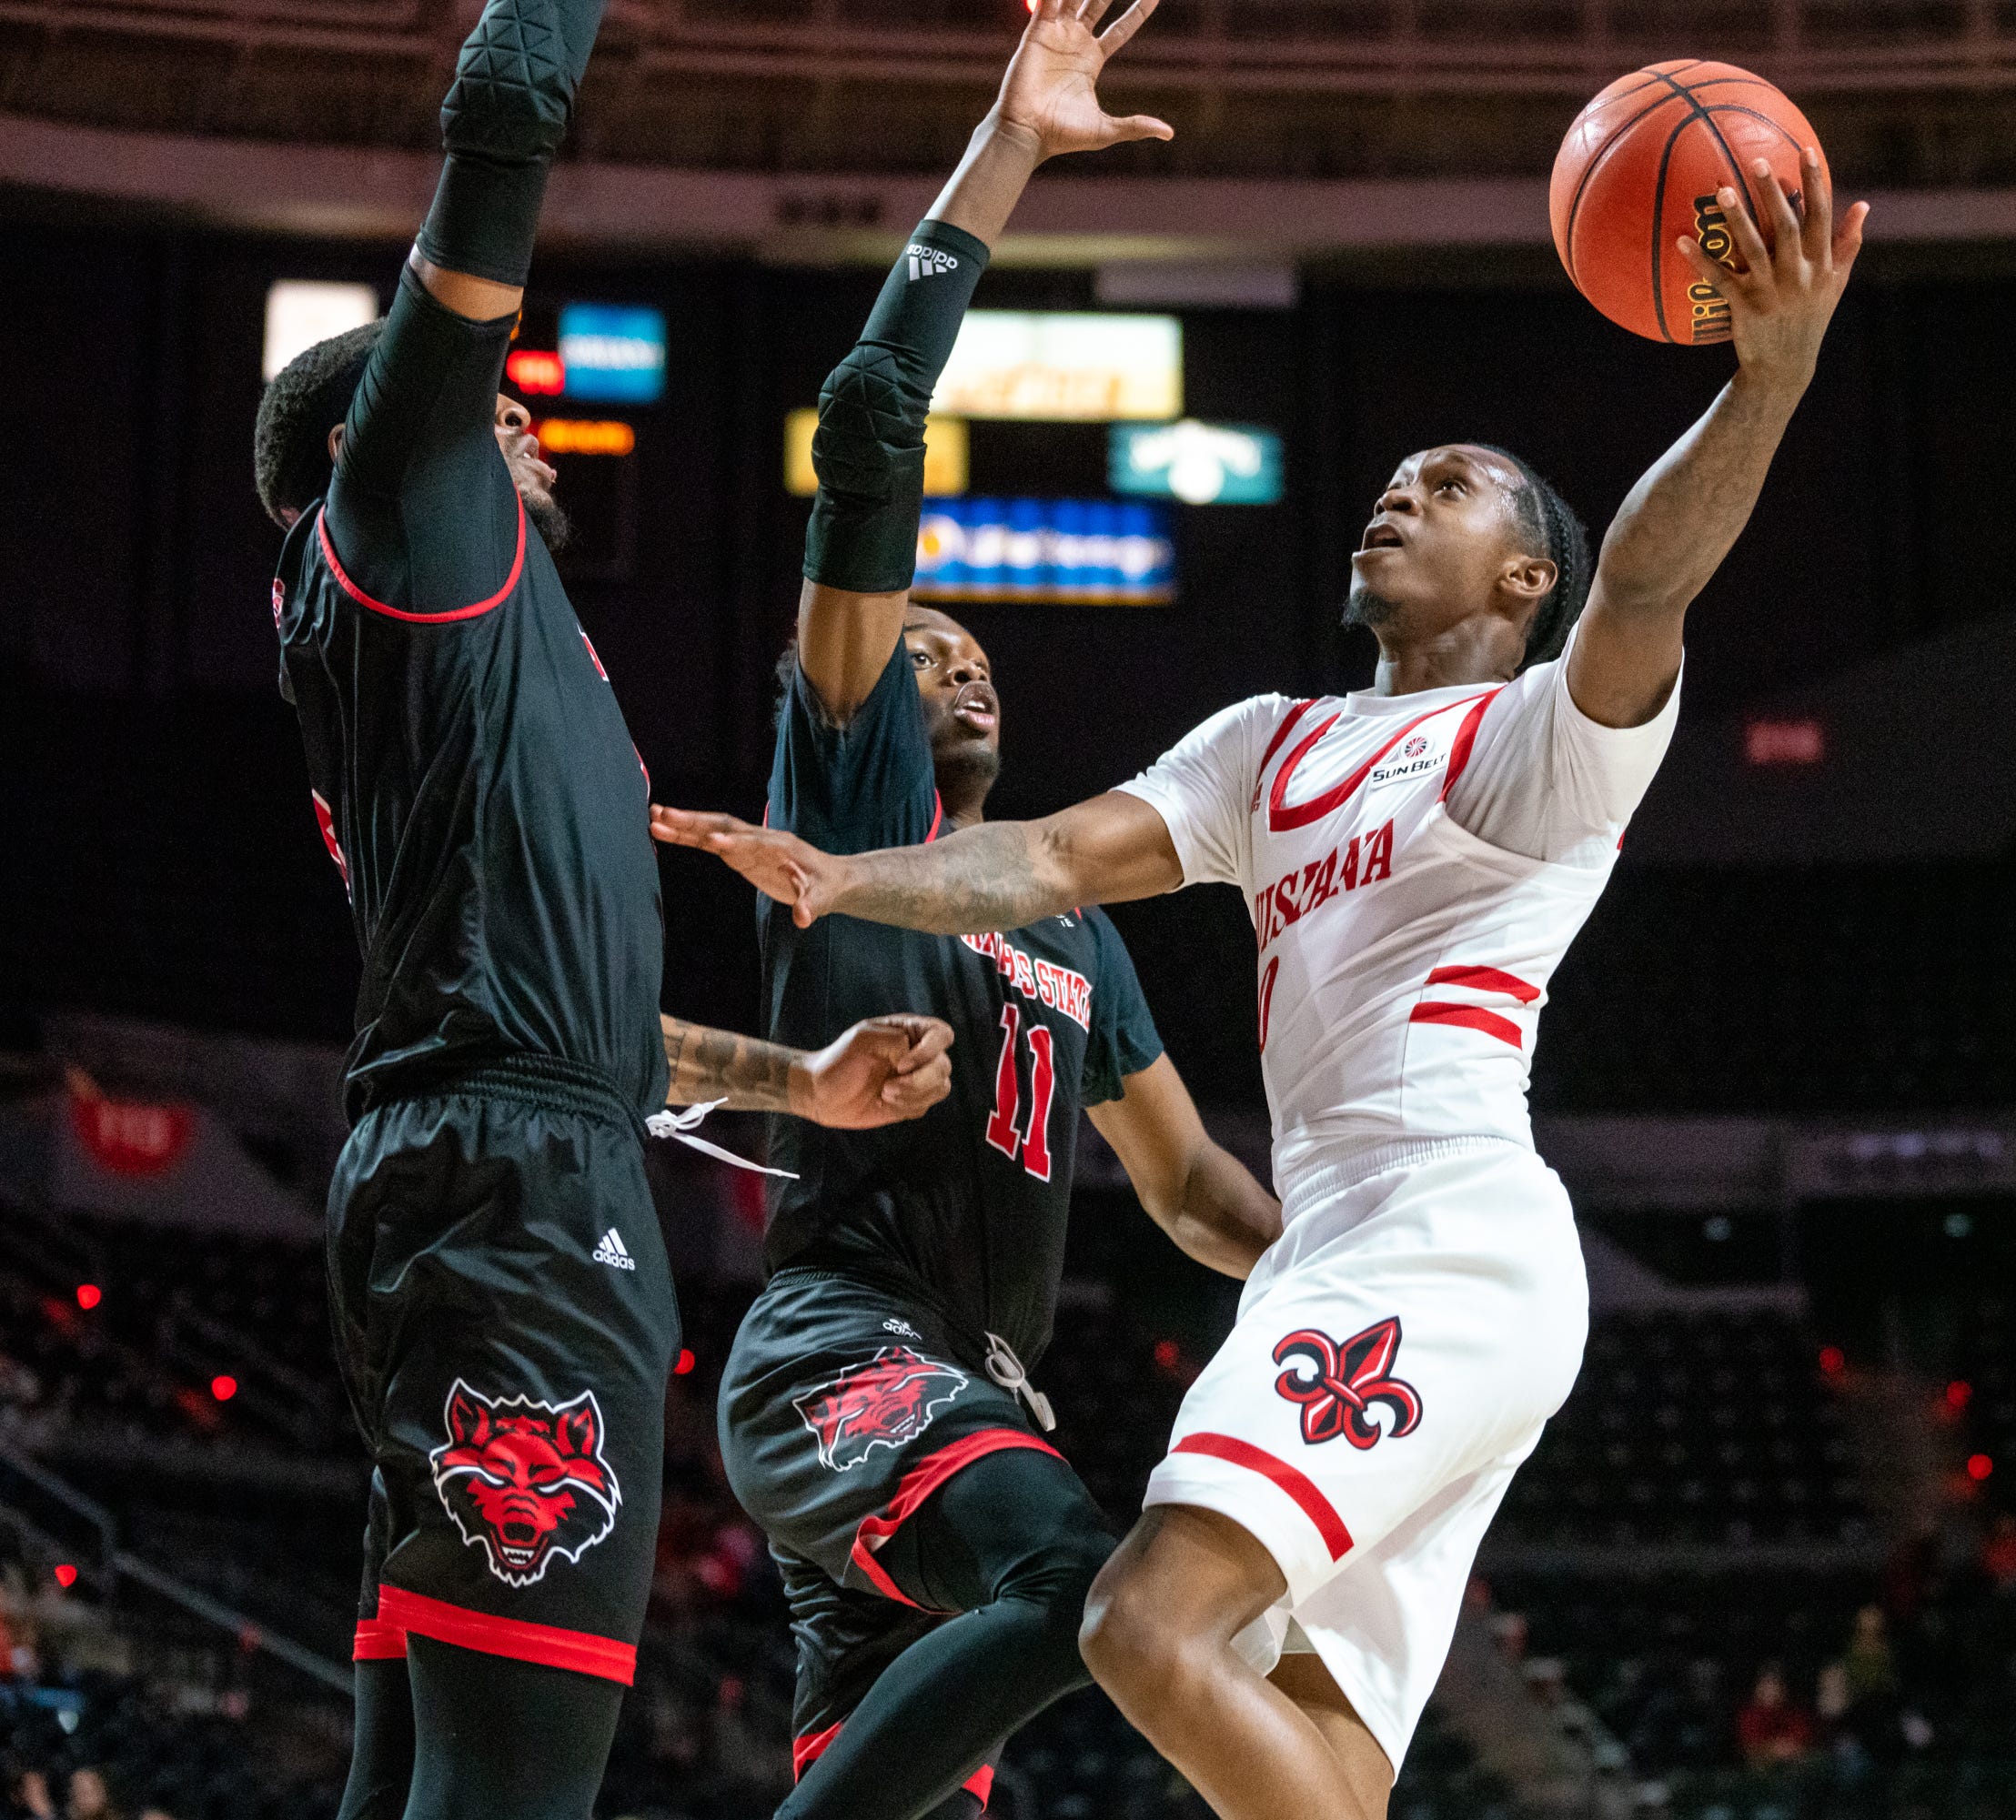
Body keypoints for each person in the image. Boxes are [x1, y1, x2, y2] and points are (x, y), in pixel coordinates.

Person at [657, 142, 1867, 1820]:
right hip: (1320, 1252)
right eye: (1393, 477)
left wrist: (1770, 379)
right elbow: (1061, 858)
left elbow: (1647, 579)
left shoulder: (1535, 748)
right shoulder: (1268, 744)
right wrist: (846, 873)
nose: (1397, 492)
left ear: (1527, 582)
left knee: (1141, 1629)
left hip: (1444, 1232)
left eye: (1447, 486)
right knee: (1304, 1747)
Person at [247, 0, 960, 1809]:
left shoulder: (479, 651)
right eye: (498, 408)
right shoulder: (402, 532)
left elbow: (582, 1023)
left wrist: (795, 1088)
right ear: (394, 442)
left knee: (416, 1768)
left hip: (491, 1146)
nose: (533, 430)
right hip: (516, 1194)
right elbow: (493, 156)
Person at [650, 10, 1279, 1819]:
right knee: (1097, 1590)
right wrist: (1008, 150)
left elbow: (1184, 1189)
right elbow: (867, 430)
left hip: (971, 1390)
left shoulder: (1073, 933)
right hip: (842, 1355)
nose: (962, 665)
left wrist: (1349, 1263)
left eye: (980, 651)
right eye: (926, 649)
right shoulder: (849, 805)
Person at [1738, 1664, 1816, 1772]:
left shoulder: (1793, 1712)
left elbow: (1802, 1741)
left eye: (1774, 1685)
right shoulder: (1750, 1714)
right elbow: (1751, 1748)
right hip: (1762, 1768)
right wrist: (1773, 1749)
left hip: (1792, 1766)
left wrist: (1786, 1748)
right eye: (1766, 1685)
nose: (1770, 1690)